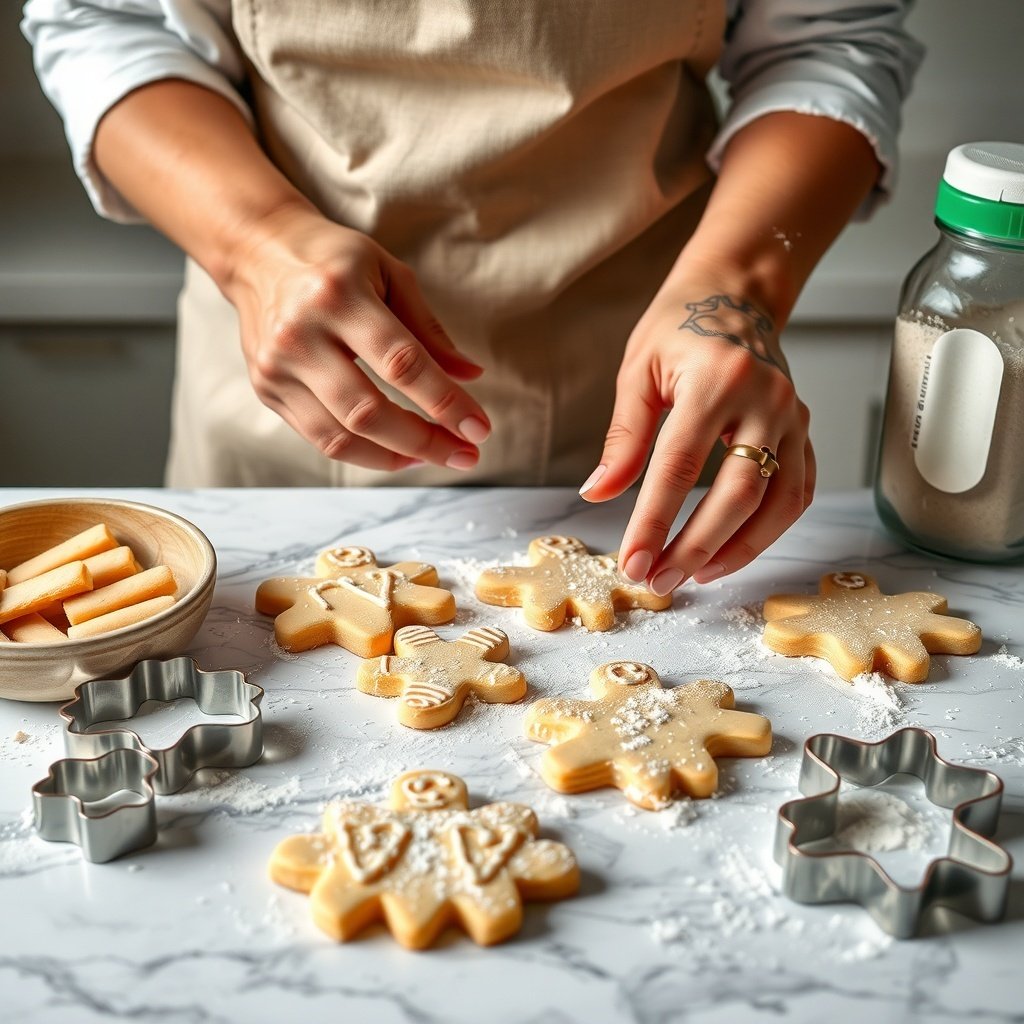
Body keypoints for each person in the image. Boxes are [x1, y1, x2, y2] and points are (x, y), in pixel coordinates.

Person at [23, 0, 921, 596]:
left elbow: (828, 41)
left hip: (641, 401)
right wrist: (254, 244)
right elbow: (106, 18)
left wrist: (735, 296)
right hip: (279, 399)